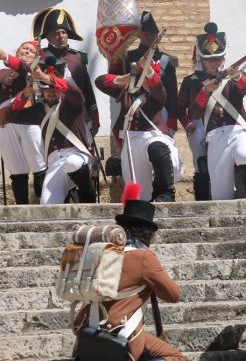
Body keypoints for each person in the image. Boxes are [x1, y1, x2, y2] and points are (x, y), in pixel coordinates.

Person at [73, 182, 184, 361]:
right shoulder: (144, 257)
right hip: (119, 332)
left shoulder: (104, 251)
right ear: (148, 233)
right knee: (176, 357)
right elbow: (174, 295)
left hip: (87, 329)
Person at [95, 50, 183, 202]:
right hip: (130, 141)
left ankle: (166, 193)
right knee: (139, 195)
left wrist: (148, 70)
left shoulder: (158, 93)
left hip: (153, 135)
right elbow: (99, 81)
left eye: (150, 77)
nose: (148, 82)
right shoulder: (127, 90)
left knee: (157, 148)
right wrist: (122, 79)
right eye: (145, 78)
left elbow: (157, 86)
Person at [5, 59, 95, 204]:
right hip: (54, 163)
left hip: (77, 155)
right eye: (46, 89)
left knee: (72, 163)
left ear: (60, 89)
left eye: (54, 88)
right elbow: (11, 116)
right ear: (41, 92)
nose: (51, 92)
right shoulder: (39, 111)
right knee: (47, 204)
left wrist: (46, 78)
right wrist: (25, 93)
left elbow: (74, 91)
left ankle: (87, 195)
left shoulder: (72, 102)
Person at [187, 22, 246, 199]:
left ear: (223, 60)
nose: (214, 63)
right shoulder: (196, 84)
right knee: (220, 194)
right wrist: (205, 93)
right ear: (202, 61)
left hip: (238, 130)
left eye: (218, 59)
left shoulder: (233, 78)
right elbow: (193, 113)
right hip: (214, 137)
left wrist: (237, 76)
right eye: (210, 60)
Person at [32, 7, 100, 135]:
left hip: (77, 113)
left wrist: (94, 114)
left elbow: (87, 89)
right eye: (56, 33)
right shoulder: (40, 58)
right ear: (48, 37)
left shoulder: (78, 57)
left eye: (63, 32)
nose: (61, 36)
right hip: (50, 112)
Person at [112, 11, 179, 137]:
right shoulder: (127, 57)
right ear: (139, 35)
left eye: (152, 33)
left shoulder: (166, 60)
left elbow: (172, 93)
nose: (148, 36)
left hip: (160, 112)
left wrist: (172, 120)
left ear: (157, 35)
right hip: (134, 111)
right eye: (145, 33)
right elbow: (117, 81)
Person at [0, 43, 47, 203]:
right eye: (24, 48)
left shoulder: (35, 70)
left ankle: (44, 204)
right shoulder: (3, 72)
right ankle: (21, 206)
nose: (26, 51)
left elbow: (24, 68)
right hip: (5, 123)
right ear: (17, 51)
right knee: (16, 168)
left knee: (38, 163)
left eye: (31, 51)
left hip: (28, 120)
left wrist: (5, 56)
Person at [177, 46, 210, 200]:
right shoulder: (190, 81)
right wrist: (188, 124)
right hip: (198, 126)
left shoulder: (223, 80)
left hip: (218, 125)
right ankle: (202, 200)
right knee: (201, 166)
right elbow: (180, 108)